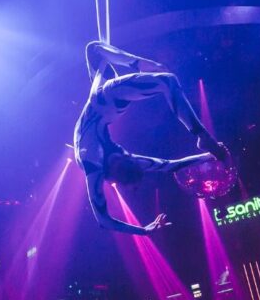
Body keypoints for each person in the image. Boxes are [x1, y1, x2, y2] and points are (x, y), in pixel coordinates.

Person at [75, 41, 229, 234]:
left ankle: (201, 134)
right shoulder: (119, 162)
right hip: (105, 105)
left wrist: (144, 231)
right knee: (94, 50)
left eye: (124, 156)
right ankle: (141, 66)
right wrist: (209, 156)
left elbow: (103, 220)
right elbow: (170, 165)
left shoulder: (93, 161)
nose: (126, 153)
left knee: (168, 81)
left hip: (105, 100)